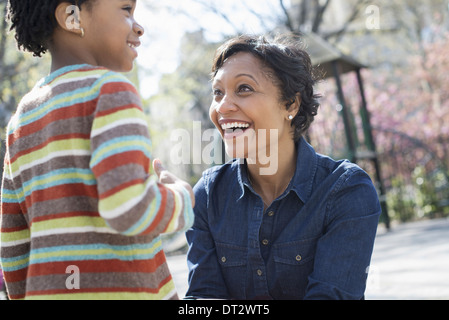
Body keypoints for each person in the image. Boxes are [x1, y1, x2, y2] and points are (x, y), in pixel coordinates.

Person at [0, 0, 194, 300]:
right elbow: (129, 208)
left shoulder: (20, 120)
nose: (139, 26)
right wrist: (181, 197)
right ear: (71, 17)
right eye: (126, 10)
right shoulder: (110, 90)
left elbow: (13, 244)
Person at [186, 34, 381, 300]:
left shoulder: (346, 191)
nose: (223, 106)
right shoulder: (207, 197)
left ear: (291, 104)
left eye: (244, 88)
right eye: (217, 92)